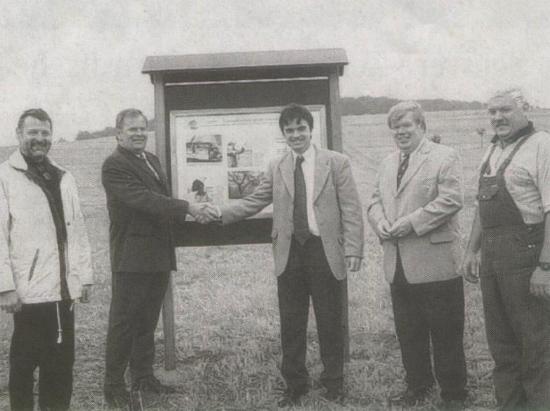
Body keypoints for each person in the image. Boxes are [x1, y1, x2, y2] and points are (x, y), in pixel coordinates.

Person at [199, 103, 364, 406]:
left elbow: (351, 208)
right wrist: (220, 213)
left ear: (310, 129)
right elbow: (255, 200)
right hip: (290, 253)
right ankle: (295, 384)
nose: (296, 134)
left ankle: (334, 382)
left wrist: (354, 249)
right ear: (283, 134)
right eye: (289, 130)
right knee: (291, 321)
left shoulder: (336, 162)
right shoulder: (277, 166)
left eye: (301, 128)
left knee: (330, 319)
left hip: (323, 251)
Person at [367, 101, 467, 409]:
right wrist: (379, 222)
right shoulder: (387, 163)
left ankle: (453, 394)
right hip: (398, 265)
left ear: (421, 126)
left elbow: (452, 199)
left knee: (445, 332)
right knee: (408, 331)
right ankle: (418, 385)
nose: (400, 132)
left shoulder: (444, 156)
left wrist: (410, 223)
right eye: (395, 128)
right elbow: (374, 201)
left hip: (436, 264)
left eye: (406, 125)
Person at [102, 108, 204, 408]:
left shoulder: (151, 159)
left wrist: (193, 210)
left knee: (146, 322)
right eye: (131, 129)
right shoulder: (114, 165)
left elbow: (160, 201)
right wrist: (187, 207)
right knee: (123, 323)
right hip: (132, 258)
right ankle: (113, 385)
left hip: (157, 255)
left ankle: (143, 377)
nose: (138, 133)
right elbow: (144, 200)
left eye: (142, 128)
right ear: (118, 134)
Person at [462, 88, 550, 410]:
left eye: (505, 110)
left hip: (527, 259)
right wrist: (471, 251)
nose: (498, 117)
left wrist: (545, 267)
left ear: (525, 109)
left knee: (536, 347)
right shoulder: (491, 151)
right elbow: (481, 208)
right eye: (492, 112)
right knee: (501, 346)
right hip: (492, 260)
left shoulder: (542, 146)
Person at [0, 108, 94, 411]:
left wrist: (84, 276)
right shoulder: (4, 177)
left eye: (45, 133)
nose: (39, 139)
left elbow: (76, 230)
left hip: (63, 292)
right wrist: (5, 287)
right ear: (18, 135)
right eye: (33, 133)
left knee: (61, 370)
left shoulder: (63, 177)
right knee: (24, 370)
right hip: (29, 295)